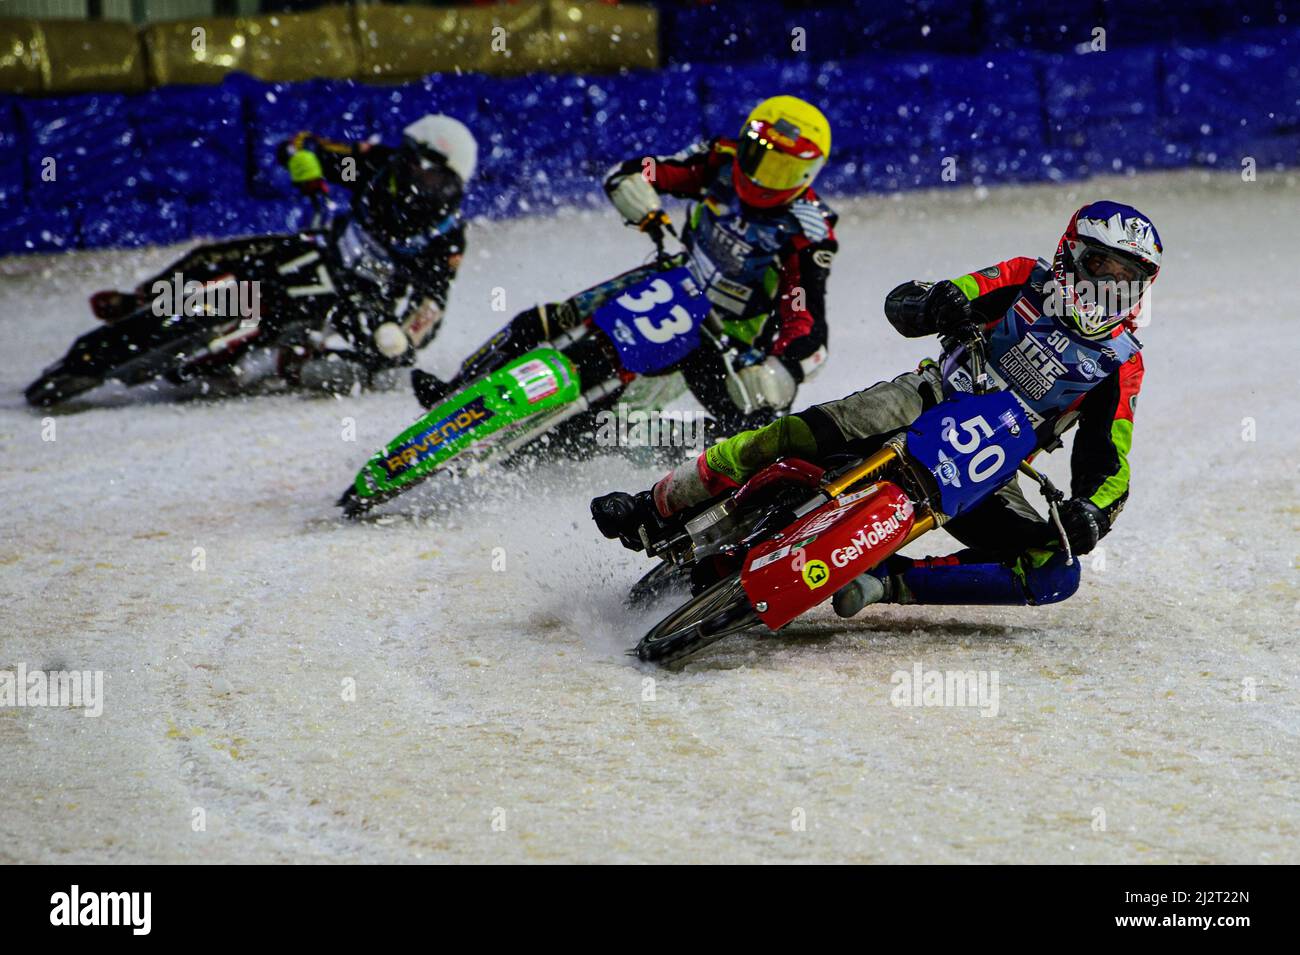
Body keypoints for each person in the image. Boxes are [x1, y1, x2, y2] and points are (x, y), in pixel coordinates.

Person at [592, 200, 1162, 616]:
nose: (1109, 288)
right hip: (924, 398)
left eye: (1127, 280)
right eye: (1100, 268)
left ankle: (884, 580)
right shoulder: (1022, 279)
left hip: (989, 467)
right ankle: (656, 505)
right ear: (1070, 255)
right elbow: (919, 299)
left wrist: (1090, 512)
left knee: (1054, 570)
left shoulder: (1120, 363)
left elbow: (1108, 463)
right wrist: (939, 303)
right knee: (796, 432)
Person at [412, 95, 837, 435]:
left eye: (782, 169)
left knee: (729, 415)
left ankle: (686, 459)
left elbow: (806, 322)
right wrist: (637, 192)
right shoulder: (720, 159)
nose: (762, 175)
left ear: (806, 176)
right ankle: (452, 393)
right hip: (669, 278)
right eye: (757, 155)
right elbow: (646, 170)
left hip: (725, 333)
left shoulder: (809, 232)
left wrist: (782, 368)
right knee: (545, 321)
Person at [90, 114, 476, 393]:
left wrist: (404, 337)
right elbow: (301, 144)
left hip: (364, 299)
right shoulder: (375, 166)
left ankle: (288, 363)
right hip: (319, 250)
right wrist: (302, 160)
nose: (427, 184)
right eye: (424, 169)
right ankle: (142, 300)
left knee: (389, 364)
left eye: (441, 179)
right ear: (409, 157)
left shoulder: (448, 236)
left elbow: (432, 302)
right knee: (213, 258)